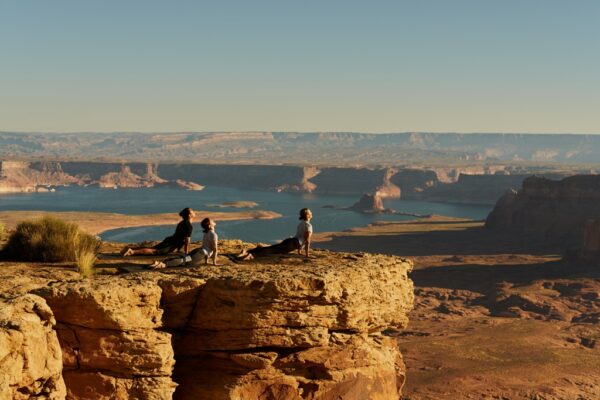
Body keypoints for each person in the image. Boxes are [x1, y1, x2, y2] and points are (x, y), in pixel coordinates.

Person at [236, 208, 313, 260]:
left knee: (272, 248)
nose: (311, 213)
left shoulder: (301, 223)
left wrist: (299, 252)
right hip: (293, 243)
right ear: (308, 215)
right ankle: (251, 255)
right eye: (310, 212)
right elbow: (307, 240)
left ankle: (248, 252)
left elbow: (299, 237)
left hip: (291, 241)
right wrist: (307, 255)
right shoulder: (308, 225)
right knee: (272, 251)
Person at [121, 208, 194, 256]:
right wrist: (186, 253)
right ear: (189, 215)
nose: (194, 212)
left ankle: (130, 249)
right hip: (171, 244)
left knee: (153, 248)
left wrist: (178, 249)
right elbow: (186, 241)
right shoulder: (189, 225)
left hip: (170, 240)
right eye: (192, 211)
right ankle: (132, 252)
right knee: (154, 251)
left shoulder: (182, 222)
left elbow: (179, 236)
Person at [149, 217, 219, 268]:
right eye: (211, 220)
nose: (213, 220)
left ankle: (164, 262)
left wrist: (206, 261)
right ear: (210, 225)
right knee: (184, 260)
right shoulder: (213, 235)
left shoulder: (206, 233)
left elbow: (207, 247)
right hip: (200, 253)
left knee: (185, 258)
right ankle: (164, 264)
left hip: (199, 251)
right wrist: (214, 263)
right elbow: (214, 249)